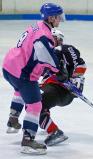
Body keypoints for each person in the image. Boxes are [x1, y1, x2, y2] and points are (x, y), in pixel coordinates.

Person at [2, 3, 67, 155]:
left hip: (9, 66)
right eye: (58, 18)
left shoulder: (37, 26)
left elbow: (33, 51)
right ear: (51, 18)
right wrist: (58, 70)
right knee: (35, 105)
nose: (60, 21)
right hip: (22, 73)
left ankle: (13, 120)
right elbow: (45, 55)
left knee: (19, 90)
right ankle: (28, 141)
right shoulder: (44, 36)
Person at [39, 29, 87, 146]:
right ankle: (47, 125)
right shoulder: (44, 54)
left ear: (57, 39)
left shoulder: (65, 49)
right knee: (33, 104)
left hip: (61, 90)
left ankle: (54, 132)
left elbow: (81, 65)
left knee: (35, 106)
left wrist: (76, 81)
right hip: (52, 89)